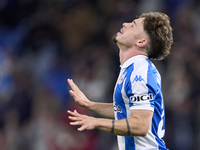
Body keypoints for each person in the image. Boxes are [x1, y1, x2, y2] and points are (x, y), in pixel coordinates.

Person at [67, 12, 173, 150]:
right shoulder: (131, 69)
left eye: (133, 25)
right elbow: (126, 110)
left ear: (141, 42)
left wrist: (96, 122)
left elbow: (141, 125)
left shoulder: (140, 72)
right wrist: (90, 105)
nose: (125, 24)